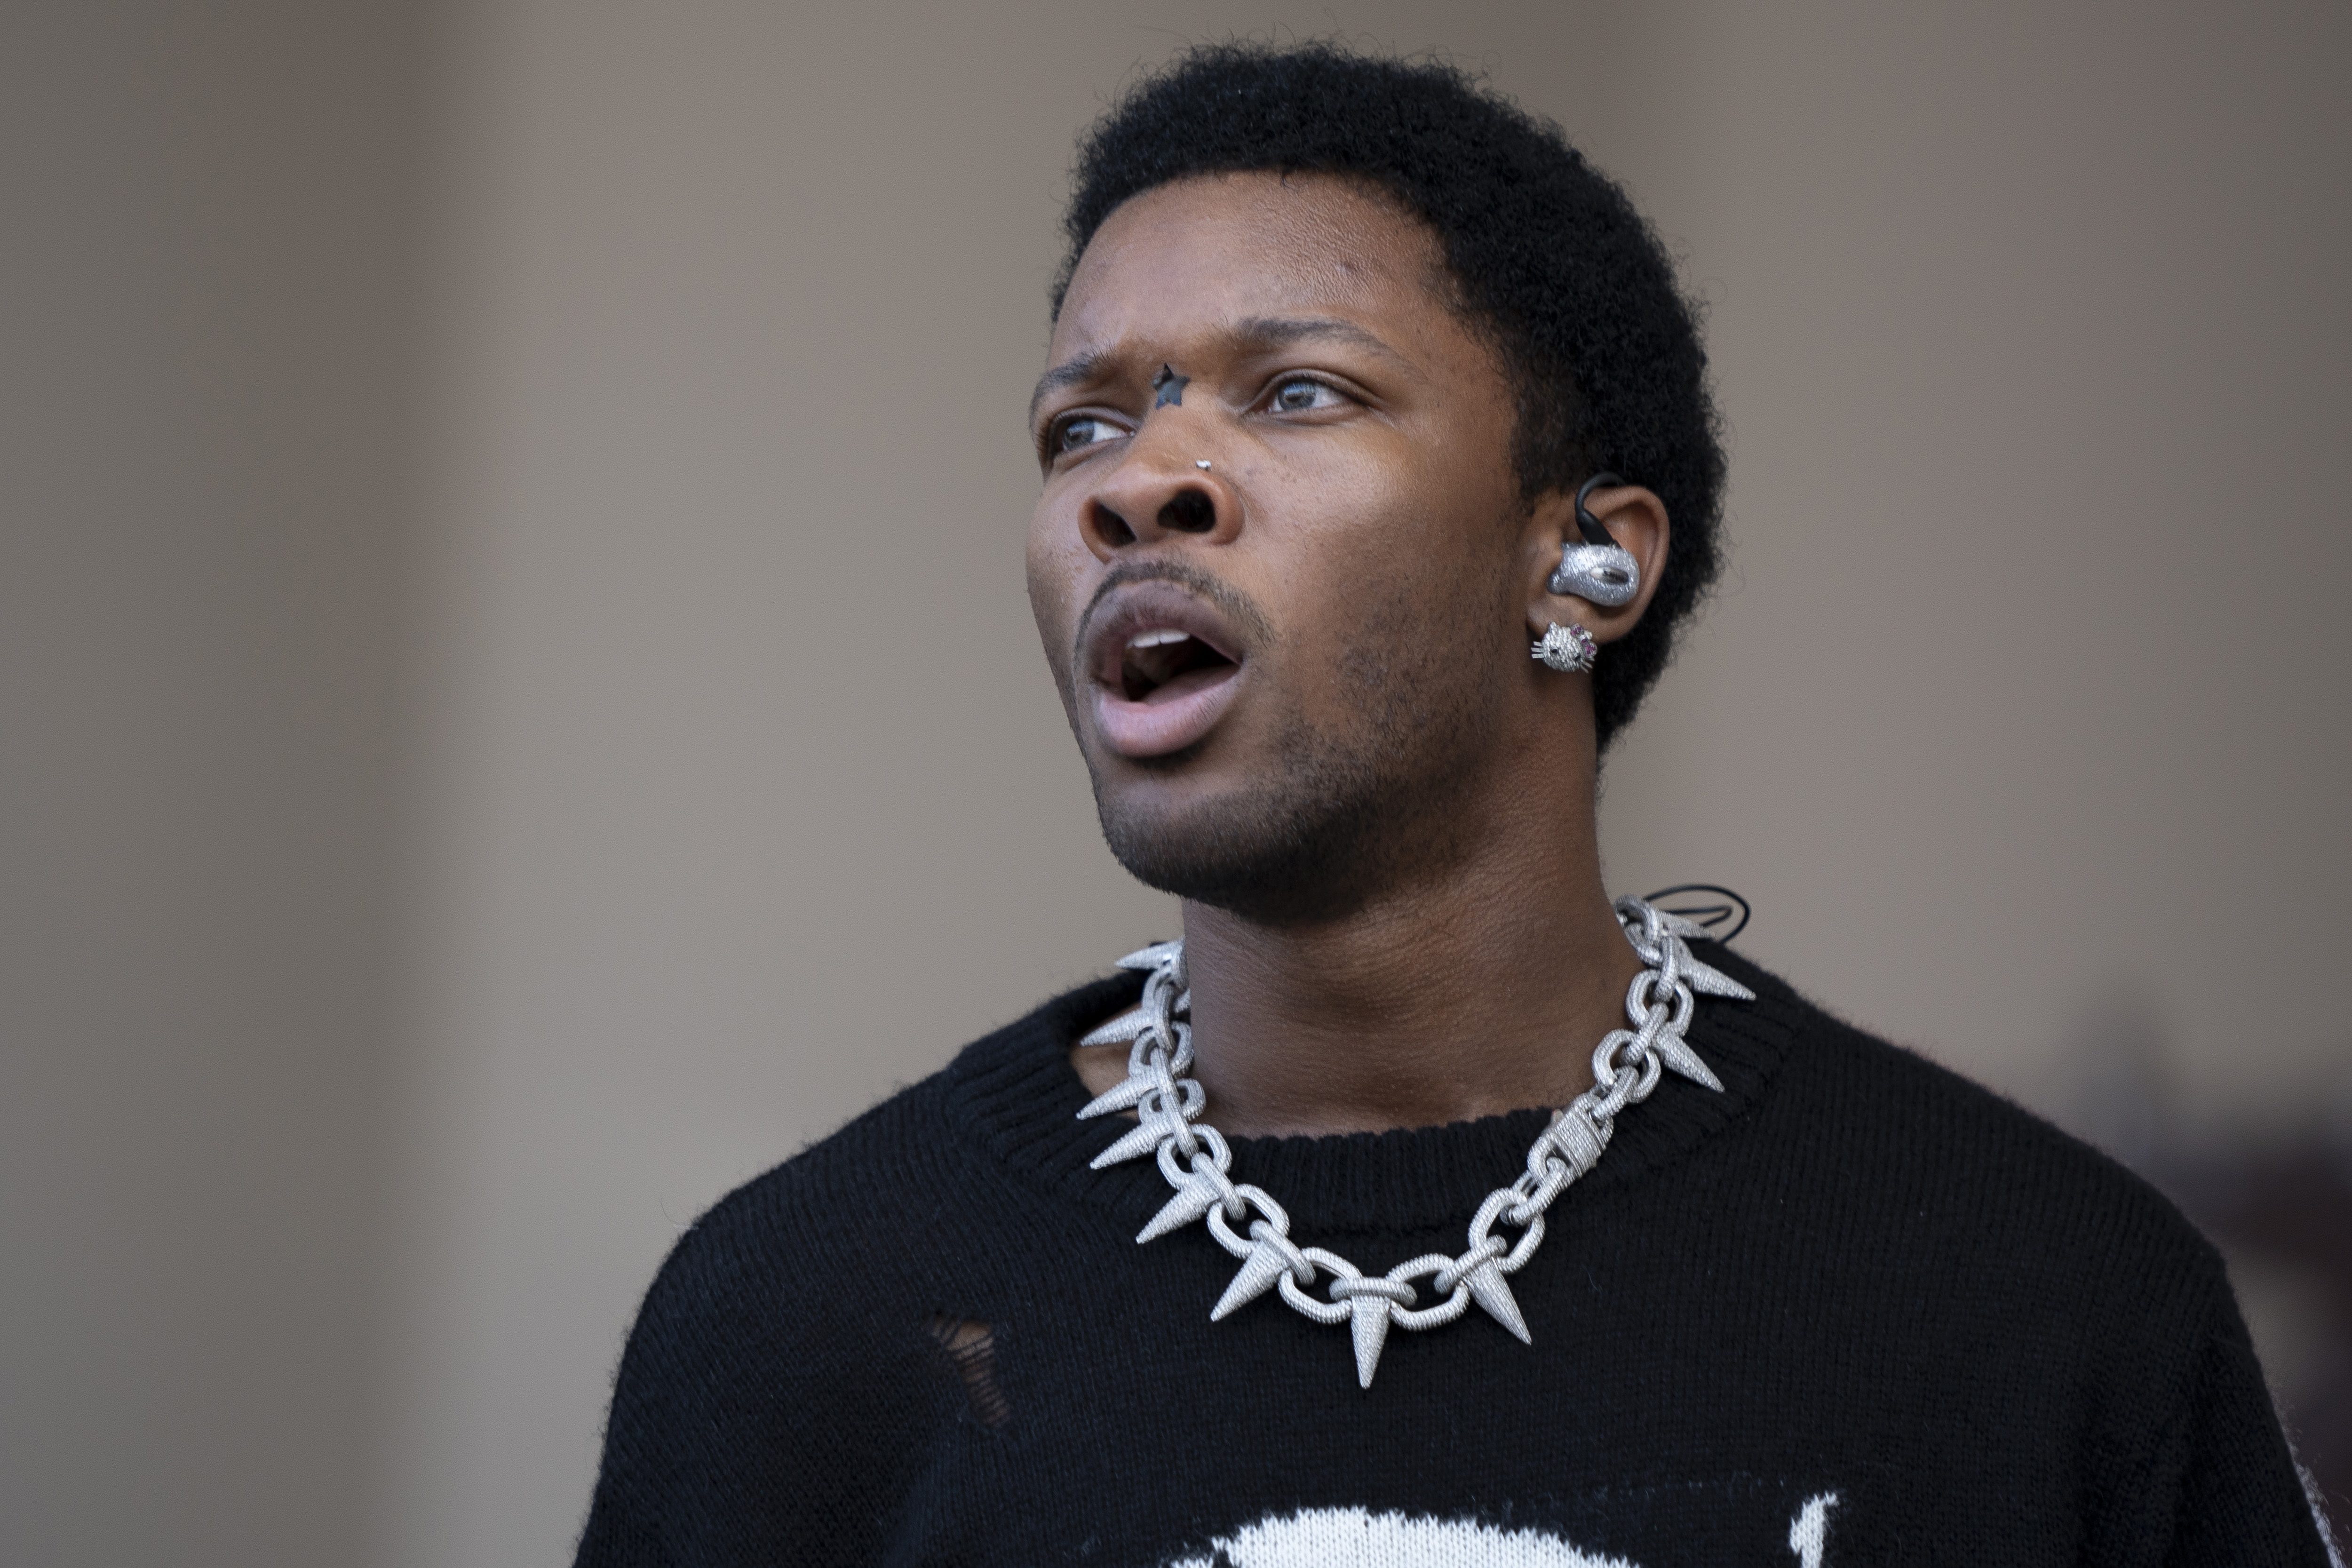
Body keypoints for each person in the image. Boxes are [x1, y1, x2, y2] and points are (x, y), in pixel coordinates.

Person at [573, 42, 2335, 1567]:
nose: (1144, 486)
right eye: (1082, 429)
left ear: (1584, 561)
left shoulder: (2031, 1306)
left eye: (1299, 392)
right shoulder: (807, 1328)